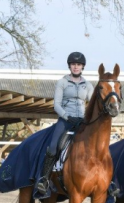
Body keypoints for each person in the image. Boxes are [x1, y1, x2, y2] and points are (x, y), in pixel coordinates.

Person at [36, 52, 94, 195]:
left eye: (78, 65)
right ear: (69, 66)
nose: (76, 67)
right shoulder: (62, 82)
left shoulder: (87, 85)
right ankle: (44, 179)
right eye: (73, 64)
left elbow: (93, 104)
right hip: (65, 121)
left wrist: (87, 118)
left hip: (82, 122)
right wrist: (67, 117)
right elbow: (56, 105)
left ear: (82, 67)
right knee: (54, 147)